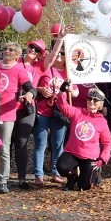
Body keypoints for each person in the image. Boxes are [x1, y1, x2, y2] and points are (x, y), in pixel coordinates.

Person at [0, 41, 34, 195]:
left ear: (17, 54)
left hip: (8, 113)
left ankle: (3, 181)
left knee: (4, 148)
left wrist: (30, 94)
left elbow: (30, 88)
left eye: (11, 49)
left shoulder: (19, 69)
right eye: (5, 49)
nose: (7, 51)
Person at [32, 36, 72, 186]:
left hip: (59, 113)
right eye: (57, 53)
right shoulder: (44, 68)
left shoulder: (68, 73)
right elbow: (31, 85)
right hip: (42, 111)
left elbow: (74, 93)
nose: (59, 56)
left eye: (62, 54)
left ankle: (56, 172)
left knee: (57, 144)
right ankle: (38, 175)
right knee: (40, 144)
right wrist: (39, 89)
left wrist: (71, 91)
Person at [55, 87, 111, 190]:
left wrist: (103, 158)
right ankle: (72, 178)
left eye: (95, 100)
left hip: (90, 156)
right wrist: (62, 91)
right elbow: (62, 106)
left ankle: (92, 175)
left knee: (84, 186)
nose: (91, 102)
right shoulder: (77, 112)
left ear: (100, 104)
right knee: (61, 167)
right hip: (73, 152)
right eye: (89, 99)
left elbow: (107, 142)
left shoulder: (102, 121)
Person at [12, 39, 47, 189]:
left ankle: (21, 178)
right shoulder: (14, 61)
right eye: (31, 47)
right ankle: (0, 178)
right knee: (4, 143)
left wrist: (59, 39)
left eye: (37, 50)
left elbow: (51, 58)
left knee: (21, 143)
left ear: (40, 55)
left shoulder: (38, 67)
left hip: (27, 109)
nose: (33, 50)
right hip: (7, 108)